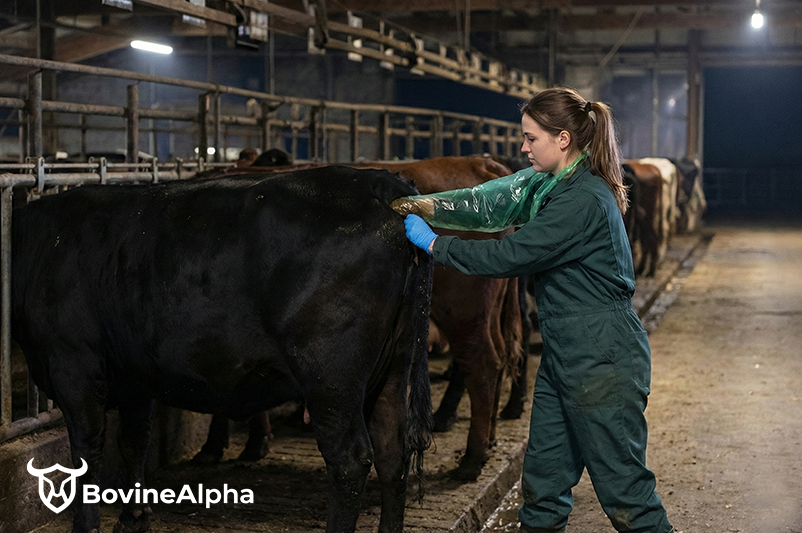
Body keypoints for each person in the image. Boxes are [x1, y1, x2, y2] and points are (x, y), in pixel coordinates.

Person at [396, 87, 673, 533]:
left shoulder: (582, 199)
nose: (523, 148)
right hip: (566, 354)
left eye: (531, 138)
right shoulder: (552, 183)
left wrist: (435, 244)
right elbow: (489, 201)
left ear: (563, 139)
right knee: (543, 486)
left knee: (626, 494)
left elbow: (510, 255)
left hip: (602, 355)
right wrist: (425, 205)